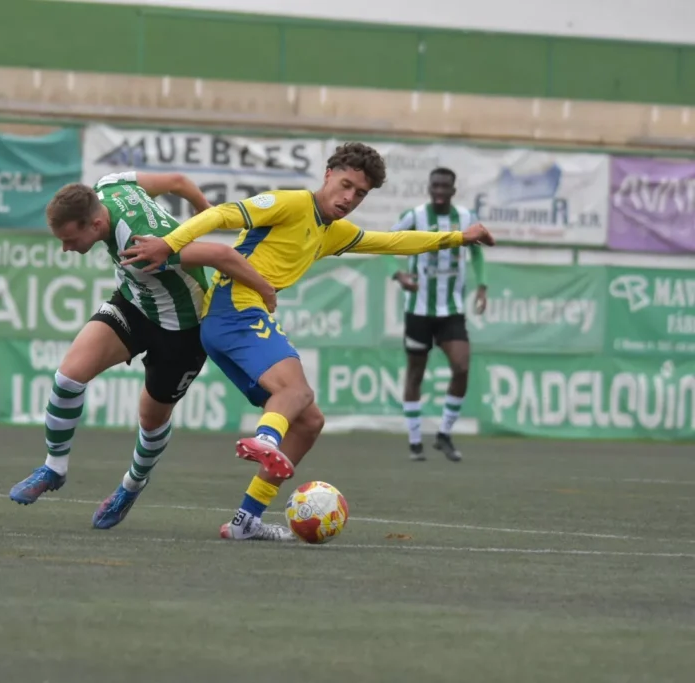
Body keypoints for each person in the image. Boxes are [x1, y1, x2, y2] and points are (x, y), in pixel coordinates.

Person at [120, 142, 495, 542]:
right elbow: (222, 213)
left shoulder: (334, 232)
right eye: (346, 184)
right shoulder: (291, 203)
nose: (350, 198)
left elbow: (393, 241)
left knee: (310, 421)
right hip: (233, 310)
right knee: (296, 391)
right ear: (328, 174)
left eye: (361, 193)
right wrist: (170, 243)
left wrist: (460, 237)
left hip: (242, 319)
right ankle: (266, 438)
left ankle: (246, 521)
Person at [8, 170, 277, 530]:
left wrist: (266, 290)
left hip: (183, 330)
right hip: (135, 305)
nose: (66, 247)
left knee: (151, 420)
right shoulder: (109, 185)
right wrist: (205, 210)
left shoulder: (140, 242)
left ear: (97, 222)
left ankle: (131, 486)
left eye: (70, 239)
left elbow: (220, 255)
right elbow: (178, 181)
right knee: (68, 376)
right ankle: (54, 468)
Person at [389, 167, 488, 463]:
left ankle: (444, 434)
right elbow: (384, 246)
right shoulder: (414, 216)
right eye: (436, 185)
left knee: (461, 366)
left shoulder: (467, 218)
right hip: (417, 311)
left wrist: (482, 285)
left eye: (446, 186)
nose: (441, 190)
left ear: (453, 190)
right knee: (415, 373)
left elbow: (478, 252)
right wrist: (399, 274)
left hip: (451, 310)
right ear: (430, 188)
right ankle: (415, 440)